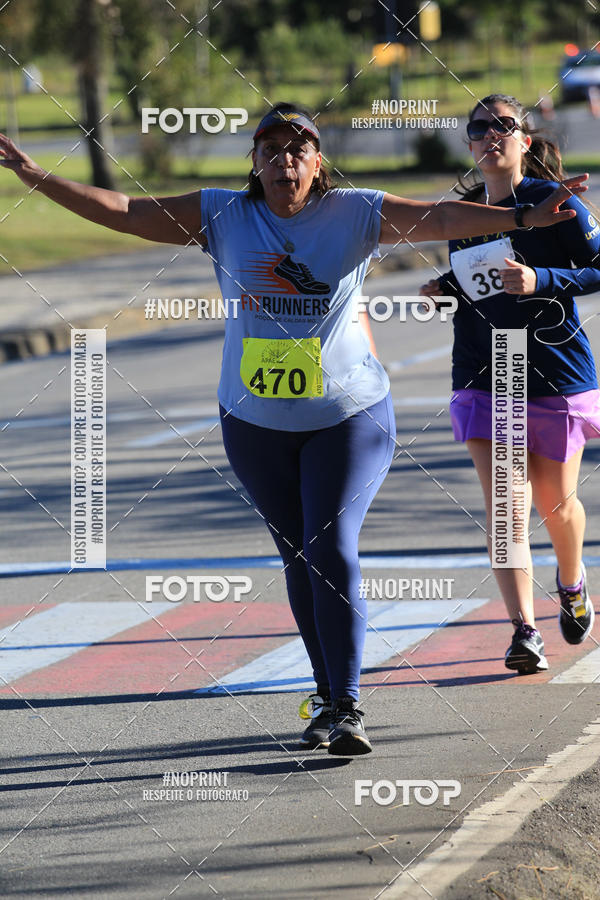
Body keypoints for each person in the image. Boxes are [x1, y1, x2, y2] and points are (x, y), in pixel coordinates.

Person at [0, 103, 588, 753]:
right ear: (254, 162)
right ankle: (327, 693)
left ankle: (348, 704)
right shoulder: (222, 213)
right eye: (271, 149)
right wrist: (36, 178)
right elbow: (121, 210)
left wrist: (523, 218)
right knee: (299, 558)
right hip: (253, 421)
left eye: (298, 149)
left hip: (350, 416)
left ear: (318, 163)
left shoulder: (354, 213)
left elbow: (440, 217)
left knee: (329, 547)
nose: (284, 160)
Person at [420, 93, 599, 675]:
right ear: (470, 146)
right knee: (505, 506)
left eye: (504, 126)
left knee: (557, 504)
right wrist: (446, 287)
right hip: (487, 367)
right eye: (480, 128)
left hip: (552, 370)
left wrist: (541, 279)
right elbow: (479, 278)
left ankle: (571, 584)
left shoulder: (558, 202)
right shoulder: (465, 213)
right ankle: (524, 630)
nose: (491, 135)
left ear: (524, 139)